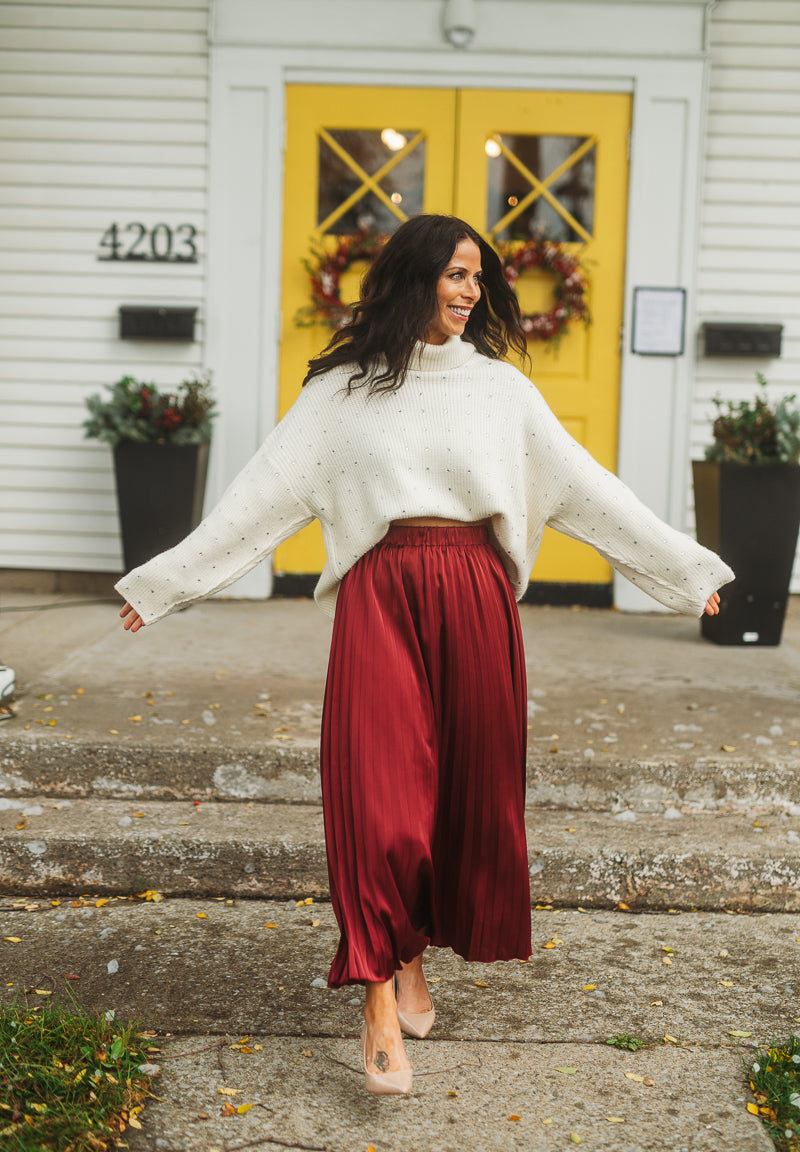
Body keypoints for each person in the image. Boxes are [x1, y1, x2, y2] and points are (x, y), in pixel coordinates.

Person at [116, 213, 733, 1097]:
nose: (468, 291)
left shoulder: (502, 392)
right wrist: (164, 585)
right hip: (382, 593)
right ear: (411, 279)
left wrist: (682, 570)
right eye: (452, 274)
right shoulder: (342, 393)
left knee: (457, 801)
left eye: (477, 277)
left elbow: (589, 489)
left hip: (476, 596)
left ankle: (408, 953)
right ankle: (374, 998)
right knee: (378, 797)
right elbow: (259, 499)